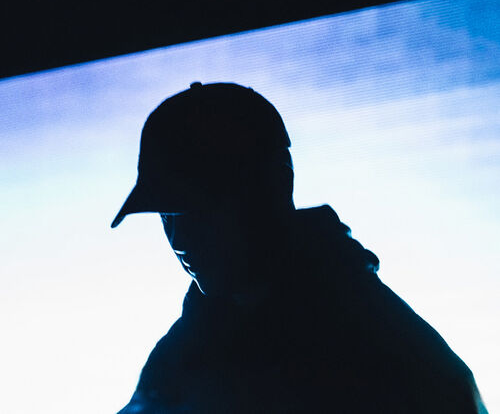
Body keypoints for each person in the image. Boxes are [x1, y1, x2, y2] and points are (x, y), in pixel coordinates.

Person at [112, 82, 487, 413]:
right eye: (166, 214)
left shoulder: (385, 351)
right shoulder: (187, 351)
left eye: (200, 209)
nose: (179, 240)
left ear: (272, 187)